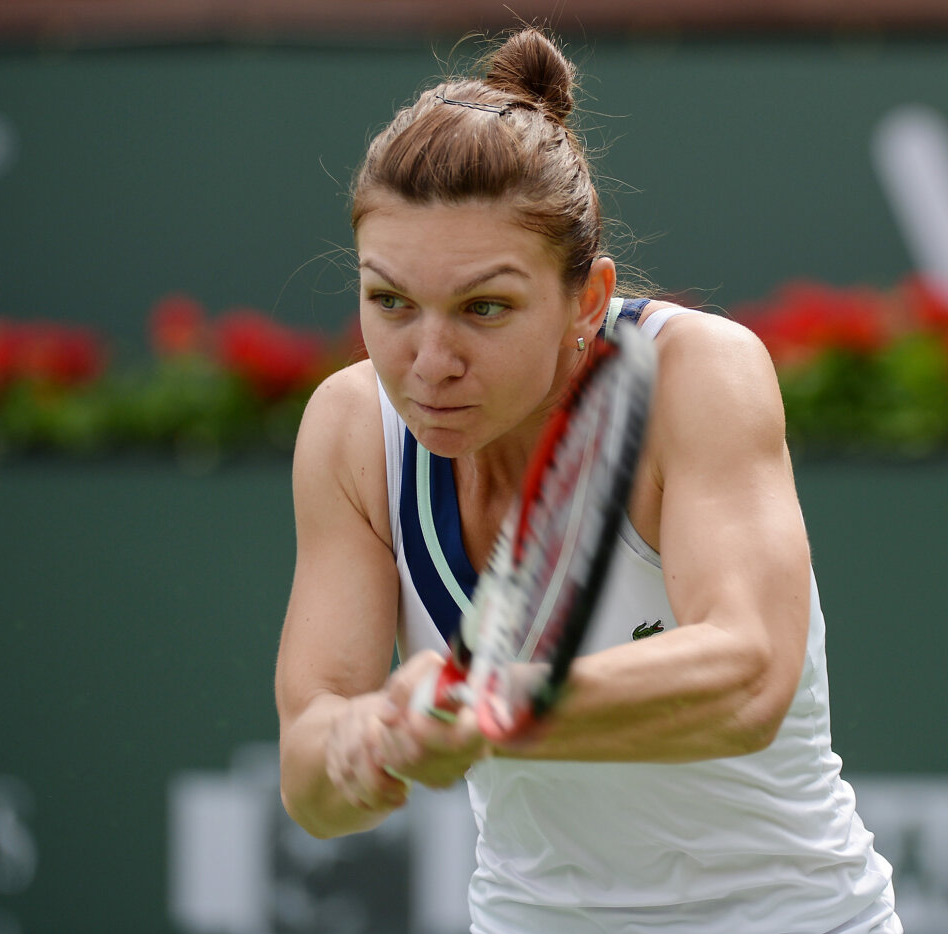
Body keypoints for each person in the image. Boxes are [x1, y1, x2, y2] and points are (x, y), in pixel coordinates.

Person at [274, 26, 901, 934]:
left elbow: (749, 676)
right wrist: (359, 745)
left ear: (589, 301)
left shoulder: (697, 375)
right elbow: (309, 776)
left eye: (485, 308)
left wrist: (488, 710)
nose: (428, 361)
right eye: (390, 303)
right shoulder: (349, 431)